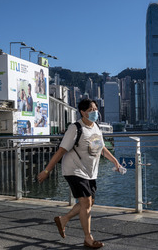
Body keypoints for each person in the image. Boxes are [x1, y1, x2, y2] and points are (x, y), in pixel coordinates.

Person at [37, 99, 124, 249]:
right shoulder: (75, 128)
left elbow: (101, 148)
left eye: (96, 109)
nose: (95, 112)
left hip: (90, 171)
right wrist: (46, 171)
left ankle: (63, 219)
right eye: (91, 110)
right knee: (85, 203)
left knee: (90, 203)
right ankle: (88, 238)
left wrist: (115, 162)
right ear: (82, 112)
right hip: (74, 169)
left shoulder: (96, 127)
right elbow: (61, 151)